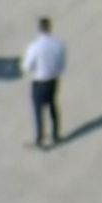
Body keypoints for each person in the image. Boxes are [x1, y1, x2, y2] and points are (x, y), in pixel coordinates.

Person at [22, 17, 66, 148]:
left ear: (39, 30)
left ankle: (40, 138)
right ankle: (55, 135)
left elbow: (27, 67)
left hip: (39, 81)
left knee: (38, 110)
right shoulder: (58, 44)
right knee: (53, 106)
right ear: (50, 28)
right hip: (53, 81)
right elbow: (62, 65)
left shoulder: (34, 47)